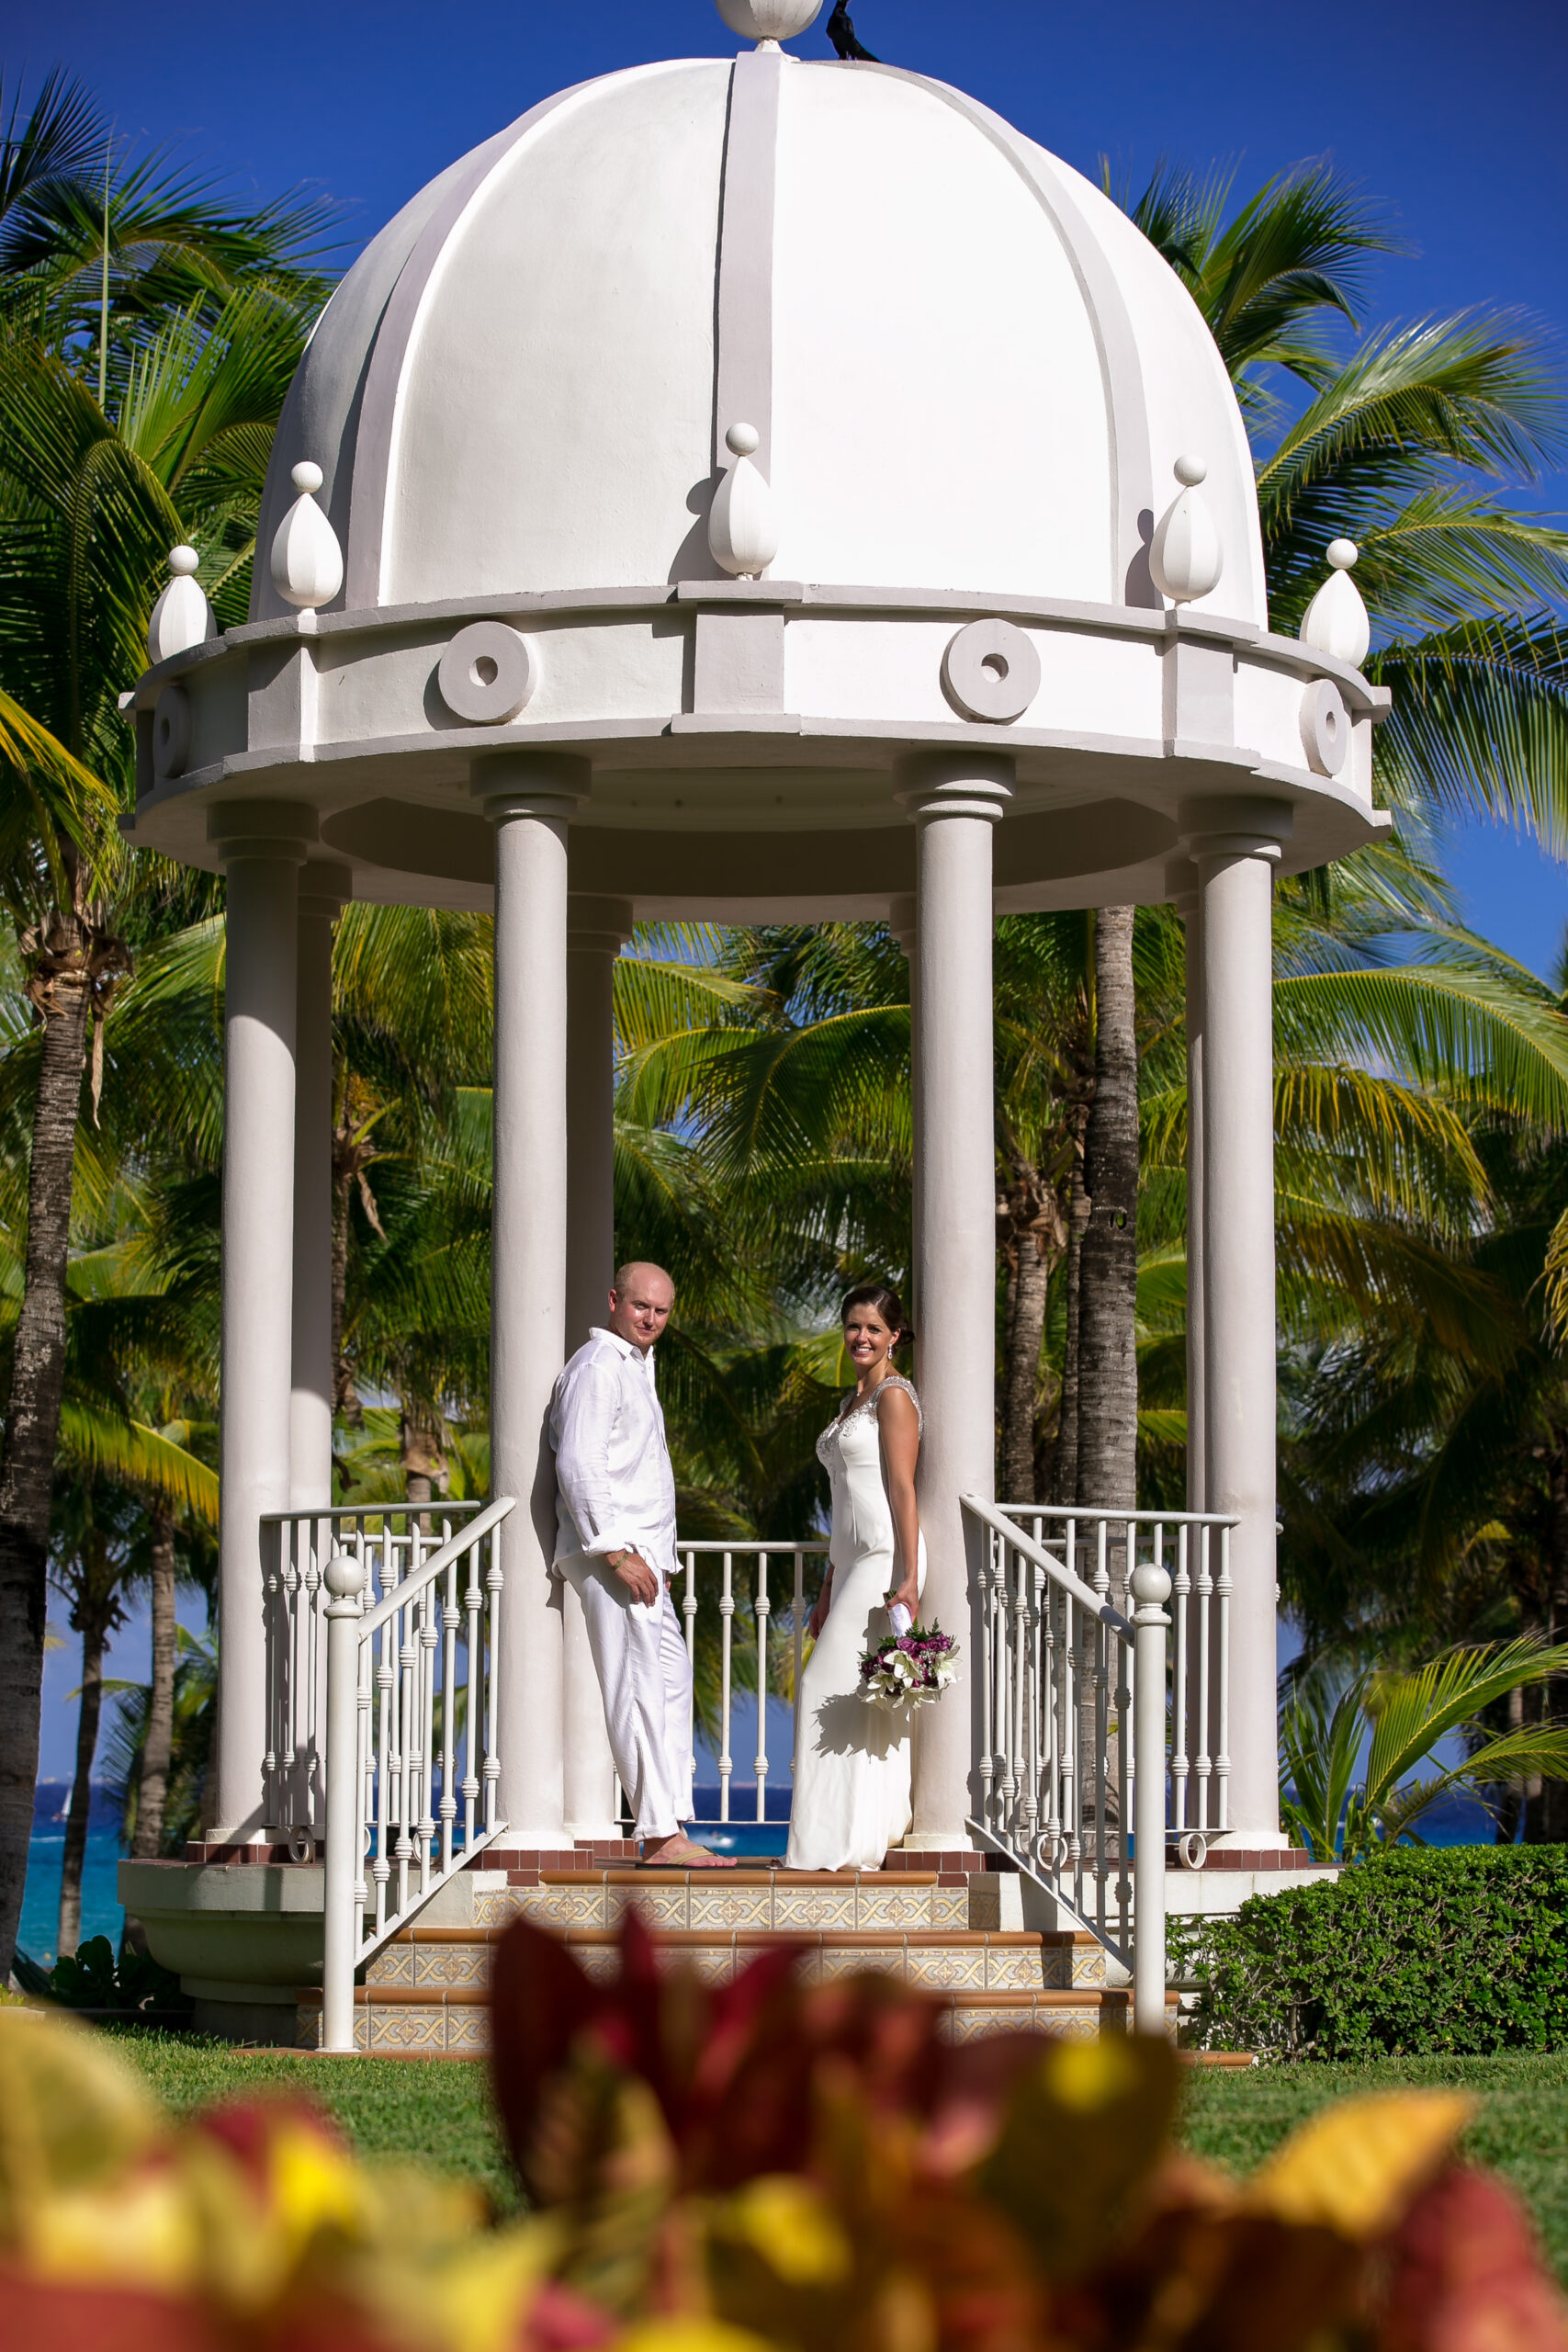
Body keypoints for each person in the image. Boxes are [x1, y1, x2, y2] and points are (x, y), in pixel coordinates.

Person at [549, 1261, 736, 1869]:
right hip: (616, 1557)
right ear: (613, 1300)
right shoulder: (598, 1367)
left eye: (660, 1310)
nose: (651, 1318)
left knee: (670, 1682)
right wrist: (614, 1549)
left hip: (643, 1558)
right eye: (640, 1306)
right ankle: (659, 1836)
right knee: (634, 1689)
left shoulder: (635, 1369)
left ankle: (670, 1824)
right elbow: (578, 1464)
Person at [784, 1283, 927, 1872]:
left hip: (886, 1557)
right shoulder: (851, 1402)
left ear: (894, 1336)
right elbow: (840, 1504)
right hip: (850, 1563)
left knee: (827, 1688)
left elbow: (901, 1487)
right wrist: (825, 1587)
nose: (861, 1337)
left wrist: (911, 1574)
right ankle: (851, 1834)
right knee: (857, 1697)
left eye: (873, 1328)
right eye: (853, 1327)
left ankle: (840, 1843)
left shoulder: (893, 1397)